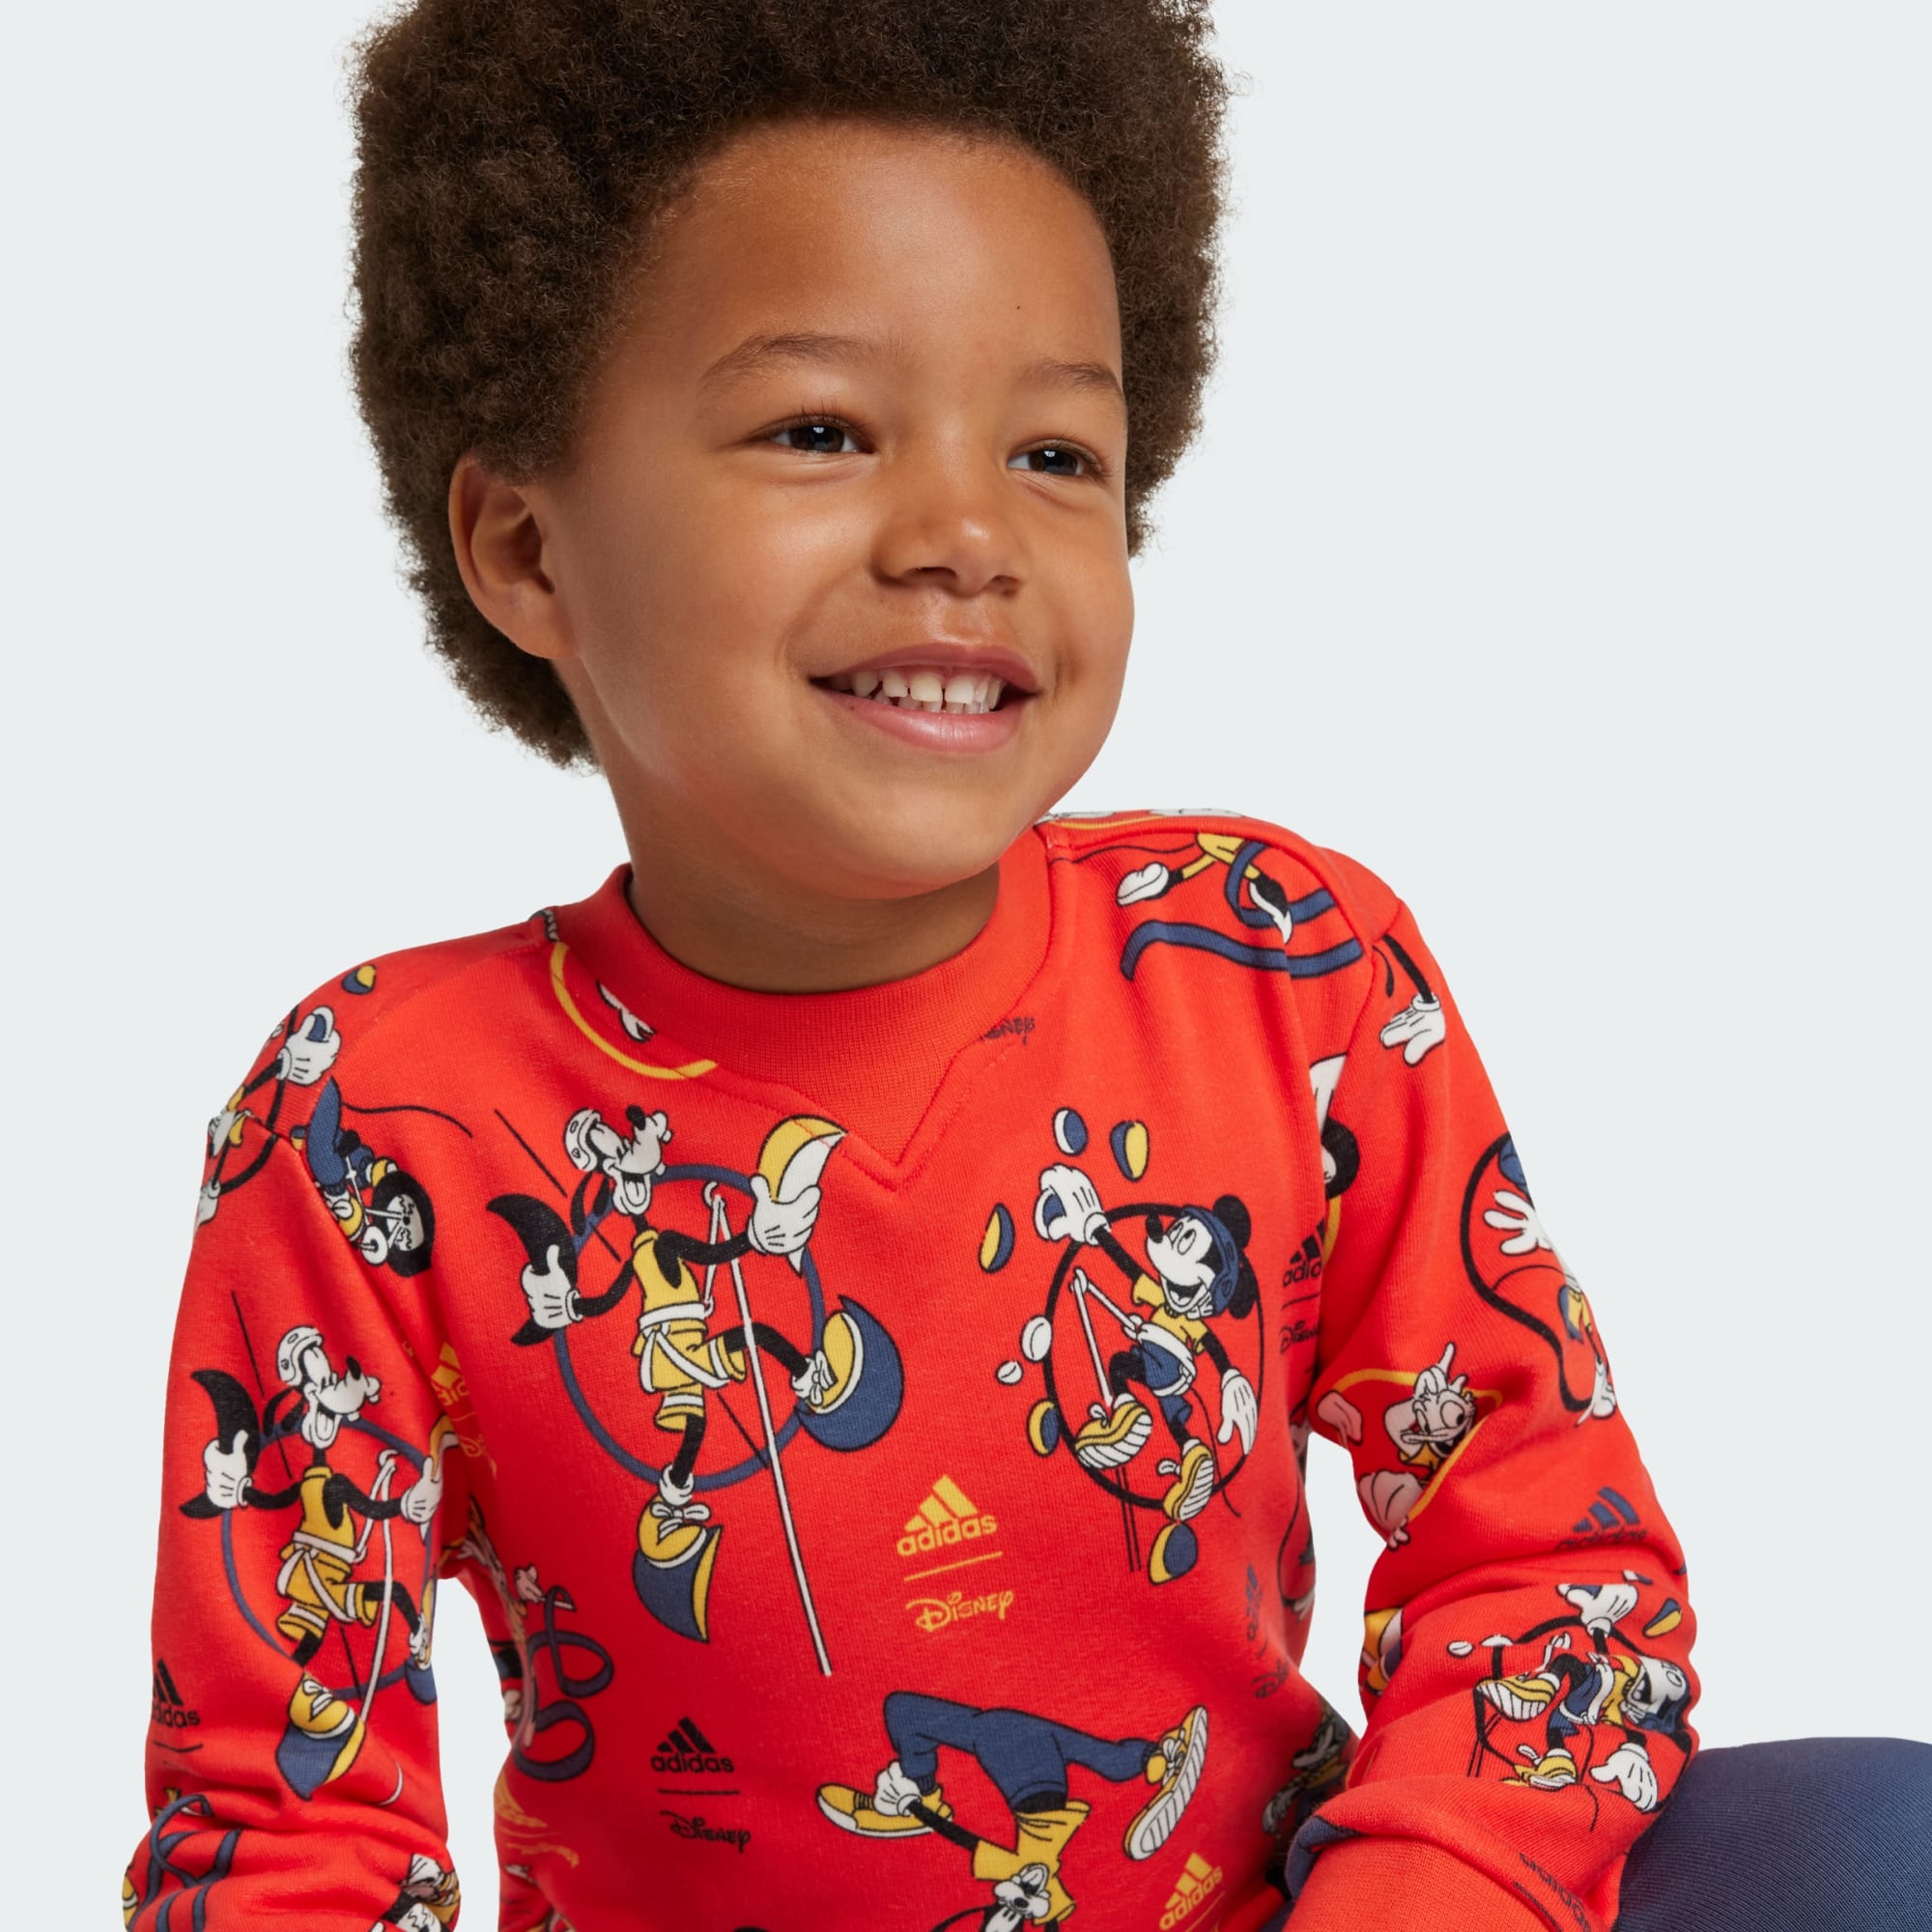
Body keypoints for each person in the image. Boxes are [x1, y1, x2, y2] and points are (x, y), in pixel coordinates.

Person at [125, 3, 1929, 1928]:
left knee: (1869, 1839)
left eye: (1057, 452)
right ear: (526, 548)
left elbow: (1552, 1565)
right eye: (821, 431)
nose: (968, 534)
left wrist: (1420, 1896)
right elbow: (281, 1831)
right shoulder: (376, 1127)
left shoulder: (1280, 968)